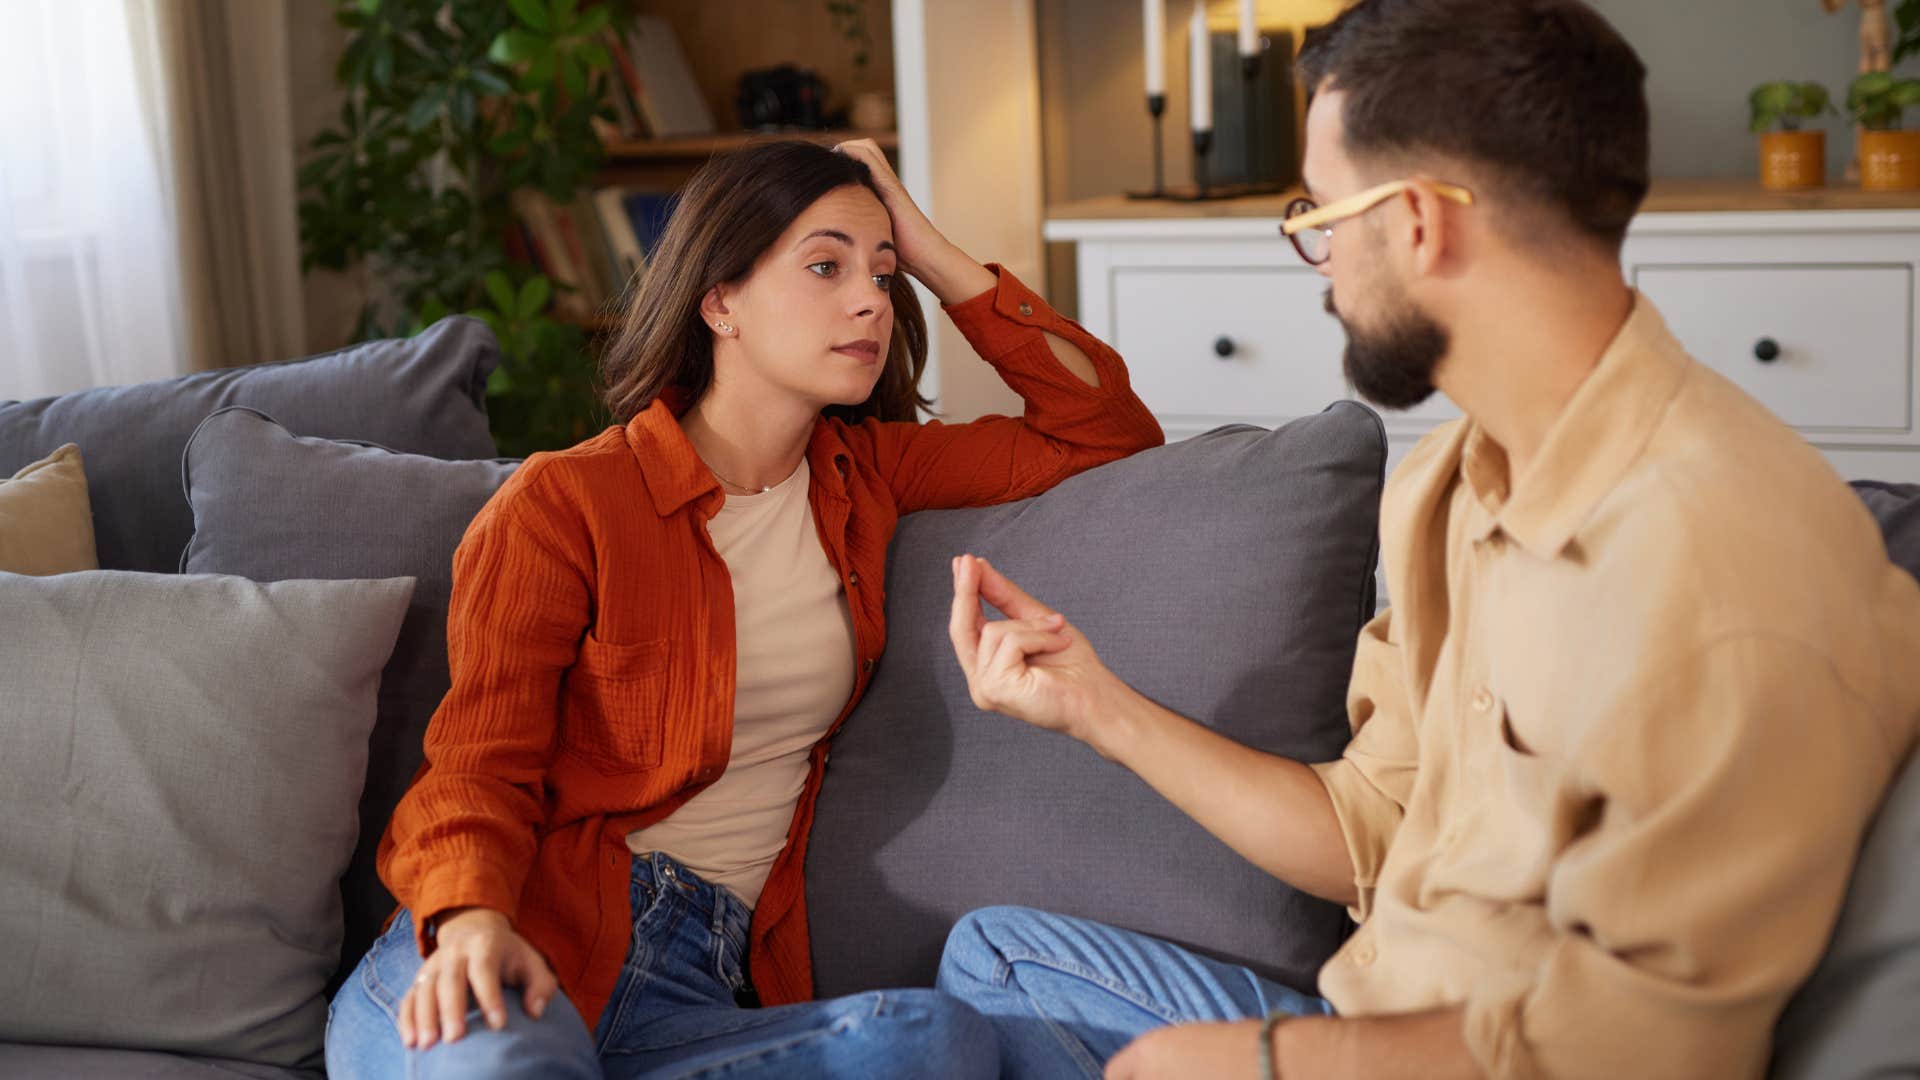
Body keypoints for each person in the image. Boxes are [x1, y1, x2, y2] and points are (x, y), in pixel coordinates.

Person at [934, 2, 1920, 1078]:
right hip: (1370, 1015)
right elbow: (1371, 827)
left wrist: (1260, 1061)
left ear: (1415, 222)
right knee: (994, 958)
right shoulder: (1453, 482)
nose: (1319, 263)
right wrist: (1095, 705)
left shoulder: (1722, 575)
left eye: (1320, 214)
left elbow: (1635, 1052)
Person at [324, 137, 1164, 1079]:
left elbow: (1106, 430)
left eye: (883, 276)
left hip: (693, 982)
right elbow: (478, 764)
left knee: (934, 1040)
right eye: (825, 266)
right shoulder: (567, 503)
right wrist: (473, 924)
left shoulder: (869, 476)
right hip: (513, 940)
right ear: (719, 300)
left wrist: (928, 248)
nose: (869, 301)